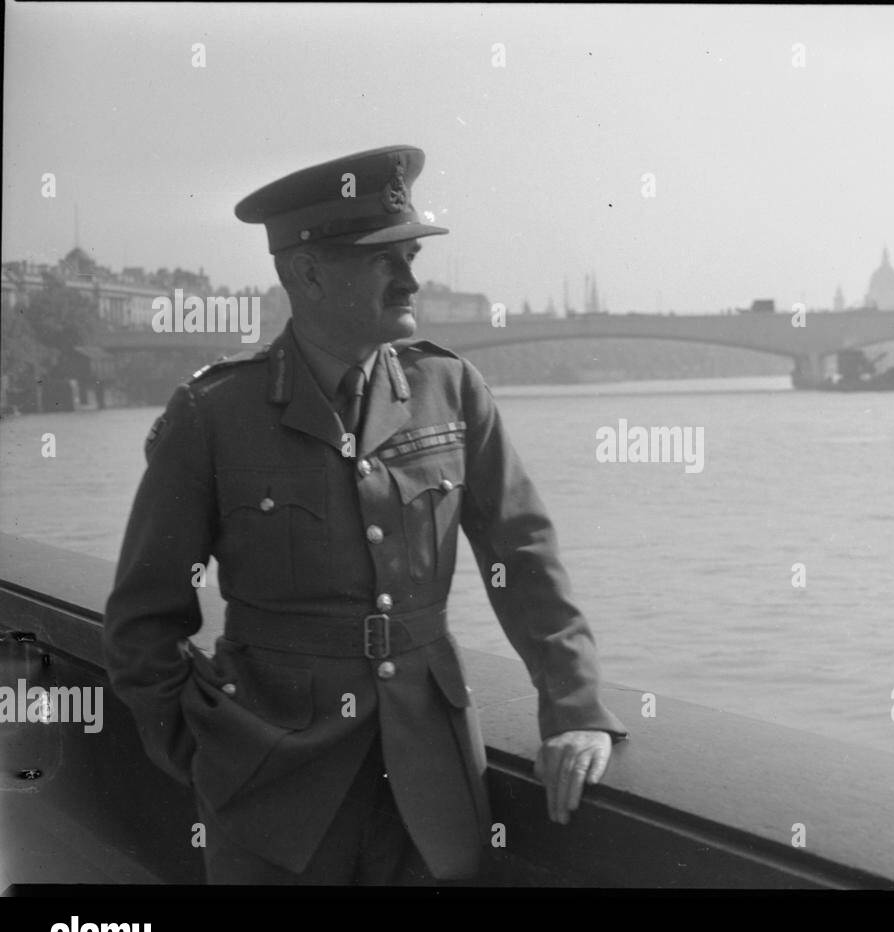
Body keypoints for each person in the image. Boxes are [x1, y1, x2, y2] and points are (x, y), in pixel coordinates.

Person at [102, 145, 628, 885]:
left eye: (410, 252)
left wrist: (574, 706)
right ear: (306, 272)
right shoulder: (215, 415)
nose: (413, 276)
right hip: (269, 797)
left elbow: (526, 558)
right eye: (385, 259)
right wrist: (207, 755)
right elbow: (142, 624)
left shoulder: (450, 390)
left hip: (431, 788)